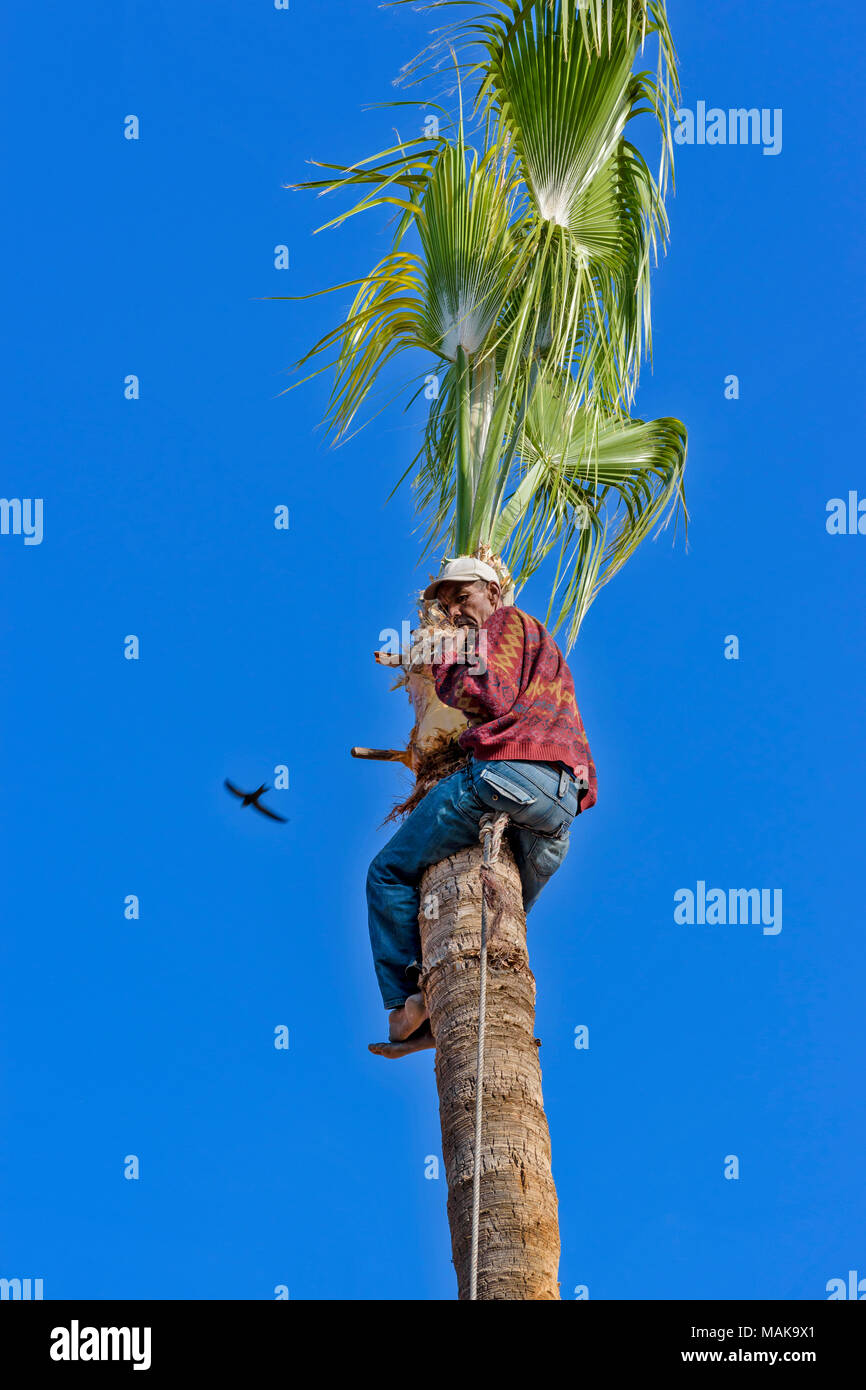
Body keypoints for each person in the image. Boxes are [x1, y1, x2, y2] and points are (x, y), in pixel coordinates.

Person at [367, 556, 597, 1058]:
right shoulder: (543, 646)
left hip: (507, 777)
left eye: (462, 596)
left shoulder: (505, 623)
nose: (454, 610)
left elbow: (489, 693)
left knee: (386, 872)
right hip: (558, 810)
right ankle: (450, 1005)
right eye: (446, 604)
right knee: (494, 920)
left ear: (493, 591)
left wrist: (441, 659)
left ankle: (406, 1005)